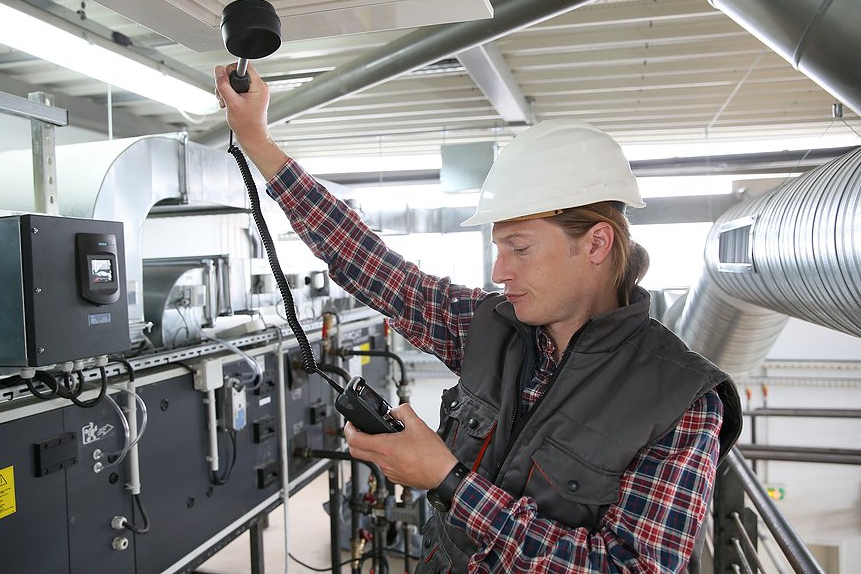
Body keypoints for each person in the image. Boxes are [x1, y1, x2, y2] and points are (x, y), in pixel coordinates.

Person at [215, 63, 742, 572]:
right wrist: (257, 139)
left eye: (519, 247)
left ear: (597, 243)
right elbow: (370, 263)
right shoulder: (490, 325)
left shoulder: (680, 402)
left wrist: (448, 480)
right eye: (498, 247)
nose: (499, 271)